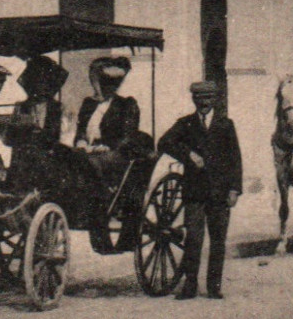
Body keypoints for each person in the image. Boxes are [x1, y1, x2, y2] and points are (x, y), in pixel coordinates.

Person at [159, 81, 243, 300]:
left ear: (214, 100)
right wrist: (188, 155)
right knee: (194, 239)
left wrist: (234, 189)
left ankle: (214, 287)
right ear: (193, 100)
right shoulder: (185, 124)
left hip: (220, 192)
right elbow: (164, 142)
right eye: (199, 99)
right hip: (195, 192)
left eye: (208, 99)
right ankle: (190, 285)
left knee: (218, 241)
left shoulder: (226, 125)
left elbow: (235, 159)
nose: (204, 103)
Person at [74, 56, 149, 198]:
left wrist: (106, 146)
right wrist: (81, 141)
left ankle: (100, 201)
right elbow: (81, 130)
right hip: (88, 151)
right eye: (96, 83)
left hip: (115, 153)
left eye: (104, 84)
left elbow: (128, 136)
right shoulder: (88, 104)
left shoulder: (126, 104)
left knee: (92, 163)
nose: (99, 88)